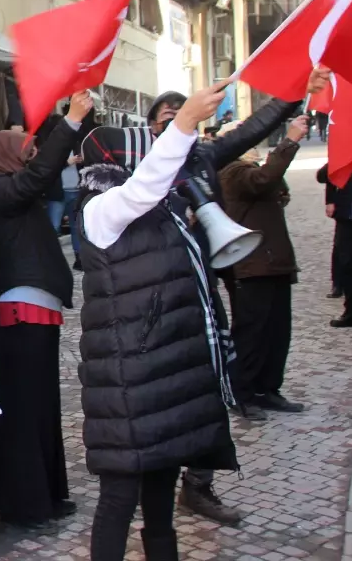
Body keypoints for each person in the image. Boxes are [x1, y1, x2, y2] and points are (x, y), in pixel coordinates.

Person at [108, 69, 327, 526]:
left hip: (202, 291)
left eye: (183, 115)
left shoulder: (204, 156)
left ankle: (199, 485)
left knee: (208, 390)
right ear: (152, 129)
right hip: (153, 300)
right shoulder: (138, 172)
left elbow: (253, 127)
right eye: (169, 117)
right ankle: (151, 483)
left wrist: (293, 92)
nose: (177, 123)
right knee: (165, 394)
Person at [77, 81, 238, 561]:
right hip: (127, 389)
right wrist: (184, 124)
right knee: (118, 503)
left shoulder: (163, 210)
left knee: (161, 506)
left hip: (165, 385)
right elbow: (144, 185)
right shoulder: (101, 210)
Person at [0, 91, 92, 531]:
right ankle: (25, 504)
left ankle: (46, 495)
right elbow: (40, 173)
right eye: (23, 150)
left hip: (33, 306)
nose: (32, 155)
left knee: (41, 407)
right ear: (4, 156)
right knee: (25, 409)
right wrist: (72, 120)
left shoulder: (1, 190)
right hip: (20, 310)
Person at [217, 115, 308, 418]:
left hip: (273, 262)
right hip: (250, 265)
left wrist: (272, 168)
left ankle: (268, 389)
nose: (252, 146)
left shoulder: (249, 167)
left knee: (277, 332)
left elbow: (275, 185)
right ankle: (242, 393)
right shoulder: (231, 169)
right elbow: (262, 182)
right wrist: (290, 141)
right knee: (251, 333)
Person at [319, 154, 352, 328]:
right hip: (349, 218)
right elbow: (322, 176)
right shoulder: (348, 151)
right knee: (347, 265)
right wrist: (330, 200)